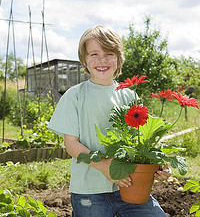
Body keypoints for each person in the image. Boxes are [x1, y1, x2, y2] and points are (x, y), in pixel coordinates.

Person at [48, 25, 170, 217]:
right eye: (94, 54)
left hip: (131, 184)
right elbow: (71, 145)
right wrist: (104, 166)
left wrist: (158, 165)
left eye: (109, 53)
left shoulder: (129, 96)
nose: (102, 60)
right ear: (84, 60)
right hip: (89, 191)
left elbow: (142, 142)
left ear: (119, 58)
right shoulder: (75, 96)